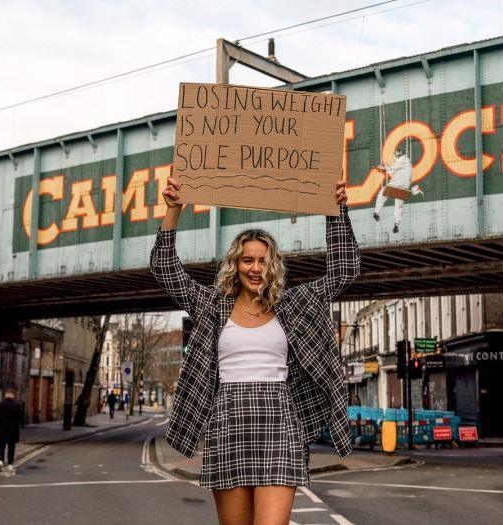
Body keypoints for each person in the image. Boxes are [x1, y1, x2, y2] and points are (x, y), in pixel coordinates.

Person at [150, 176, 360, 525]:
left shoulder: (294, 304)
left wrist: (336, 211)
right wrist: (172, 211)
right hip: (228, 423)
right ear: (236, 264)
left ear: (273, 265)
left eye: (263, 261)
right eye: (248, 260)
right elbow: (164, 270)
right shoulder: (212, 305)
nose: (256, 268)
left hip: (281, 424)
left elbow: (344, 271)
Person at [373, 149, 423, 233]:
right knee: (398, 206)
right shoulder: (407, 162)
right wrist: (385, 168)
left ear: (399, 155)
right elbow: (396, 171)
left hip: (396, 184)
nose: (395, 156)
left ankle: (376, 212)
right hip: (404, 187)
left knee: (382, 194)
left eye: (396, 154)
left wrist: (384, 166)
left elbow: (392, 170)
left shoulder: (402, 160)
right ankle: (396, 224)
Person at [0, 387, 23, 473]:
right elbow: (21, 419)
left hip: (2, 429)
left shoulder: (0, 405)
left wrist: (0, 422)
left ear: (5, 395)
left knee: (1, 446)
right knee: (11, 447)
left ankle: (0, 461)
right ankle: (10, 464)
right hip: (13, 430)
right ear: (13, 396)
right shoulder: (17, 406)